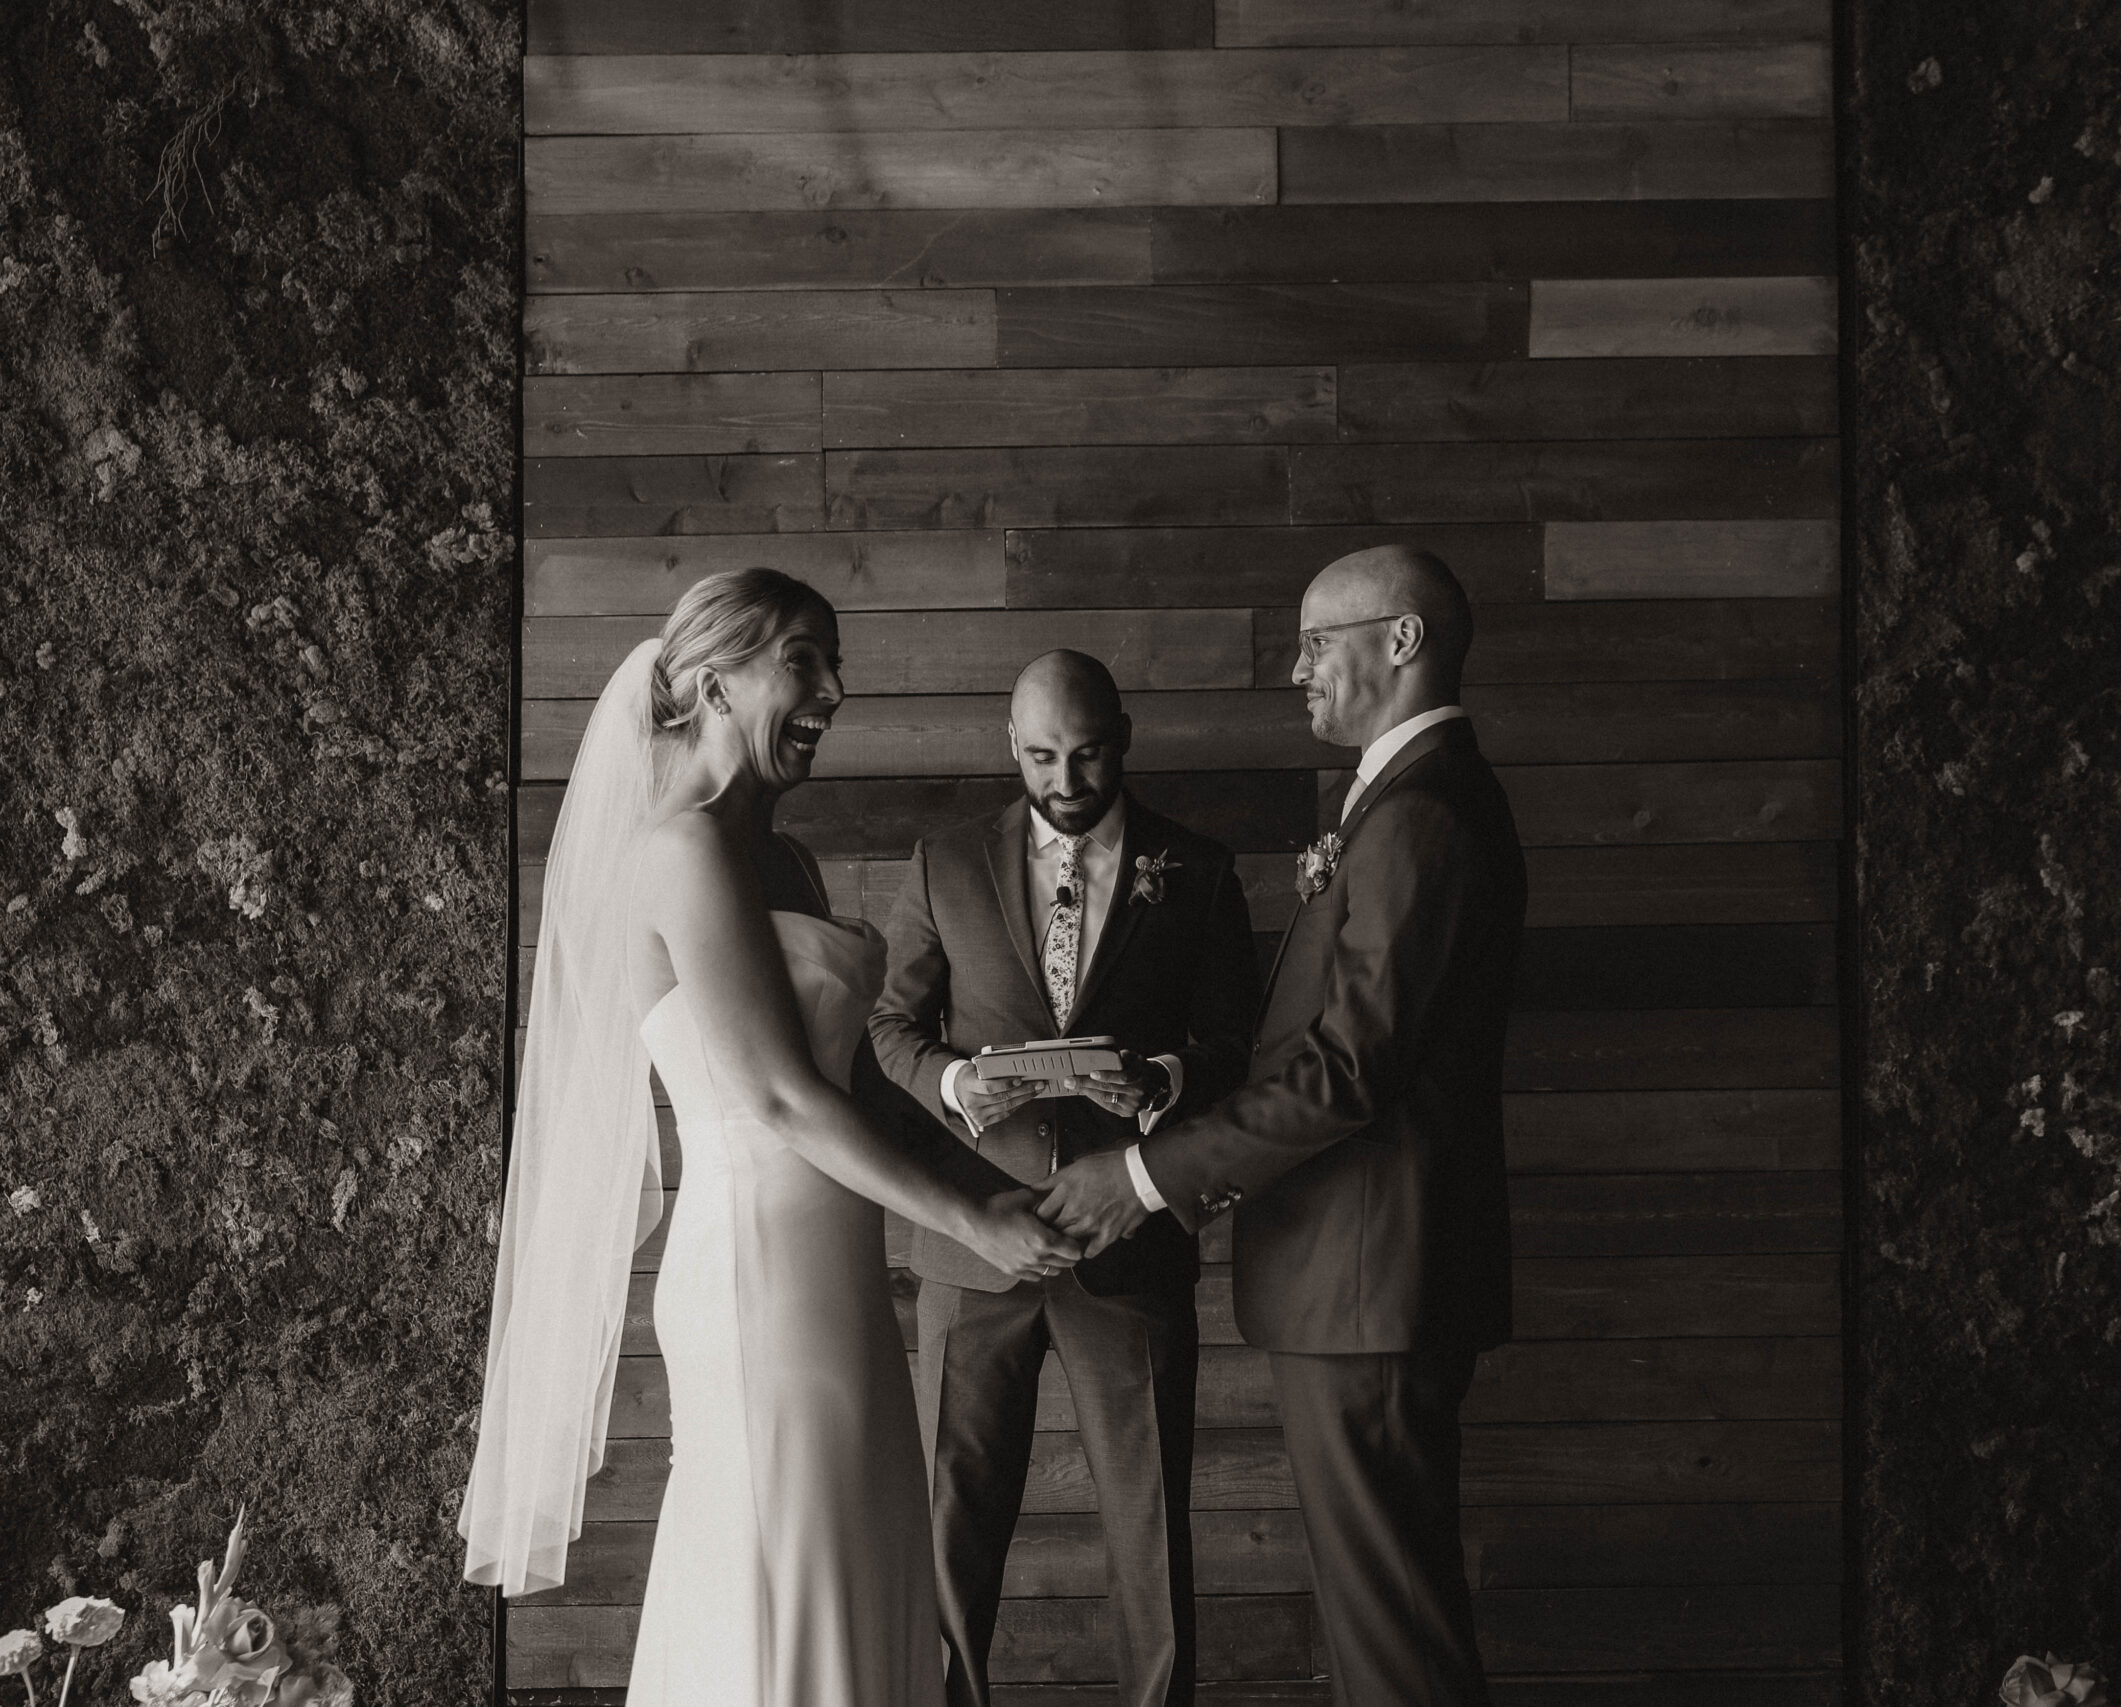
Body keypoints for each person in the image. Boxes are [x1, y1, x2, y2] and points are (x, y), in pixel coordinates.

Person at [461, 569, 1081, 1707]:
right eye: (805, 660)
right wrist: (965, 1224)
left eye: (832, 664)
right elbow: (781, 1098)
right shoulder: (677, 850)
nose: (834, 691)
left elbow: (865, 1088)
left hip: (832, 1273)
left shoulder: (784, 860)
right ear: (712, 680)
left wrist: (1000, 1194)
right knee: (774, 1565)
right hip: (755, 1277)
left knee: (856, 1558)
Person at [1039, 547, 1526, 1707]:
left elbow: (1348, 1067)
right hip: (1362, 1281)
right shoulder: (1409, 801)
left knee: (1392, 1635)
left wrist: (1146, 1176)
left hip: (1370, 1285)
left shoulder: (1421, 818)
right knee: (1385, 1622)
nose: (1295, 670)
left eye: (1317, 641)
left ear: (1398, 642)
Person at [868, 650, 1259, 1707]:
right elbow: (887, 1030)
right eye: (1042, 755)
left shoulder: (1199, 869)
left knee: (1148, 1518)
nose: (1066, 778)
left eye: (1086, 754)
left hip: (1128, 1238)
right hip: (971, 1241)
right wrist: (951, 1082)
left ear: (1121, 736)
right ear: (1010, 744)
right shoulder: (944, 861)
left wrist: (1169, 1077)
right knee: (953, 1517)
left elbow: (1238, 1038)